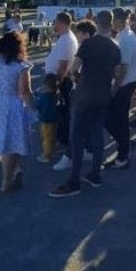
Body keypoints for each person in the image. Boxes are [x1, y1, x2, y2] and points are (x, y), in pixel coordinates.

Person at [49, 19, 122, 198]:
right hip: (103, 95)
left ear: (98, 25)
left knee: (76, 137)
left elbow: (73, 69)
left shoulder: (88, 44)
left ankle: (74, 181)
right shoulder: (115, 47)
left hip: (84, 95)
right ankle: (95, 174)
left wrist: (77, 79)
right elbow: (118, 74)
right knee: (97, 134)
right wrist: (111, 89)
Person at [0, 31, 35, 193]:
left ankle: (15, 171)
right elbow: (24, 91)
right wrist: (34, 108)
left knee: (4, 139)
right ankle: (7, 181)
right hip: (12, 105)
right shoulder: (20, 67)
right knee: (11, 143)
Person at [104, 8, 136, 169]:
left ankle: (123, 154)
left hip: (124, 84)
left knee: (113, 119)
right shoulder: (126, 35)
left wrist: (114, 88)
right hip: (127, 82)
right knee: (119, 119)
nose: (110, 23)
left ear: (118, 21)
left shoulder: (125, 38)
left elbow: (123, 68)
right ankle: (125, 145)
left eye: (112, 20)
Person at [46, 12, 80, 172]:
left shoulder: (67, 40)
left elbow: (63, 66)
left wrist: (57, 85)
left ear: (62, 23)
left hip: (62, 81)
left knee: (64, 112)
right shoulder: (64, 37)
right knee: (63, 112)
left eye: (56, 22)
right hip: (60, 80)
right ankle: (63, 139)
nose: (54, 25)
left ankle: (64, 141)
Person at [35, 74, 59, 164]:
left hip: (46, 120)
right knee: (53, 136)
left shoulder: (44, 96)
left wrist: (36, 96)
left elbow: (38, 105)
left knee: (46, 138)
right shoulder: (56, 95)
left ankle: (46, 155)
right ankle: (51, 151)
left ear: (46, 85)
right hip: (55, 118)